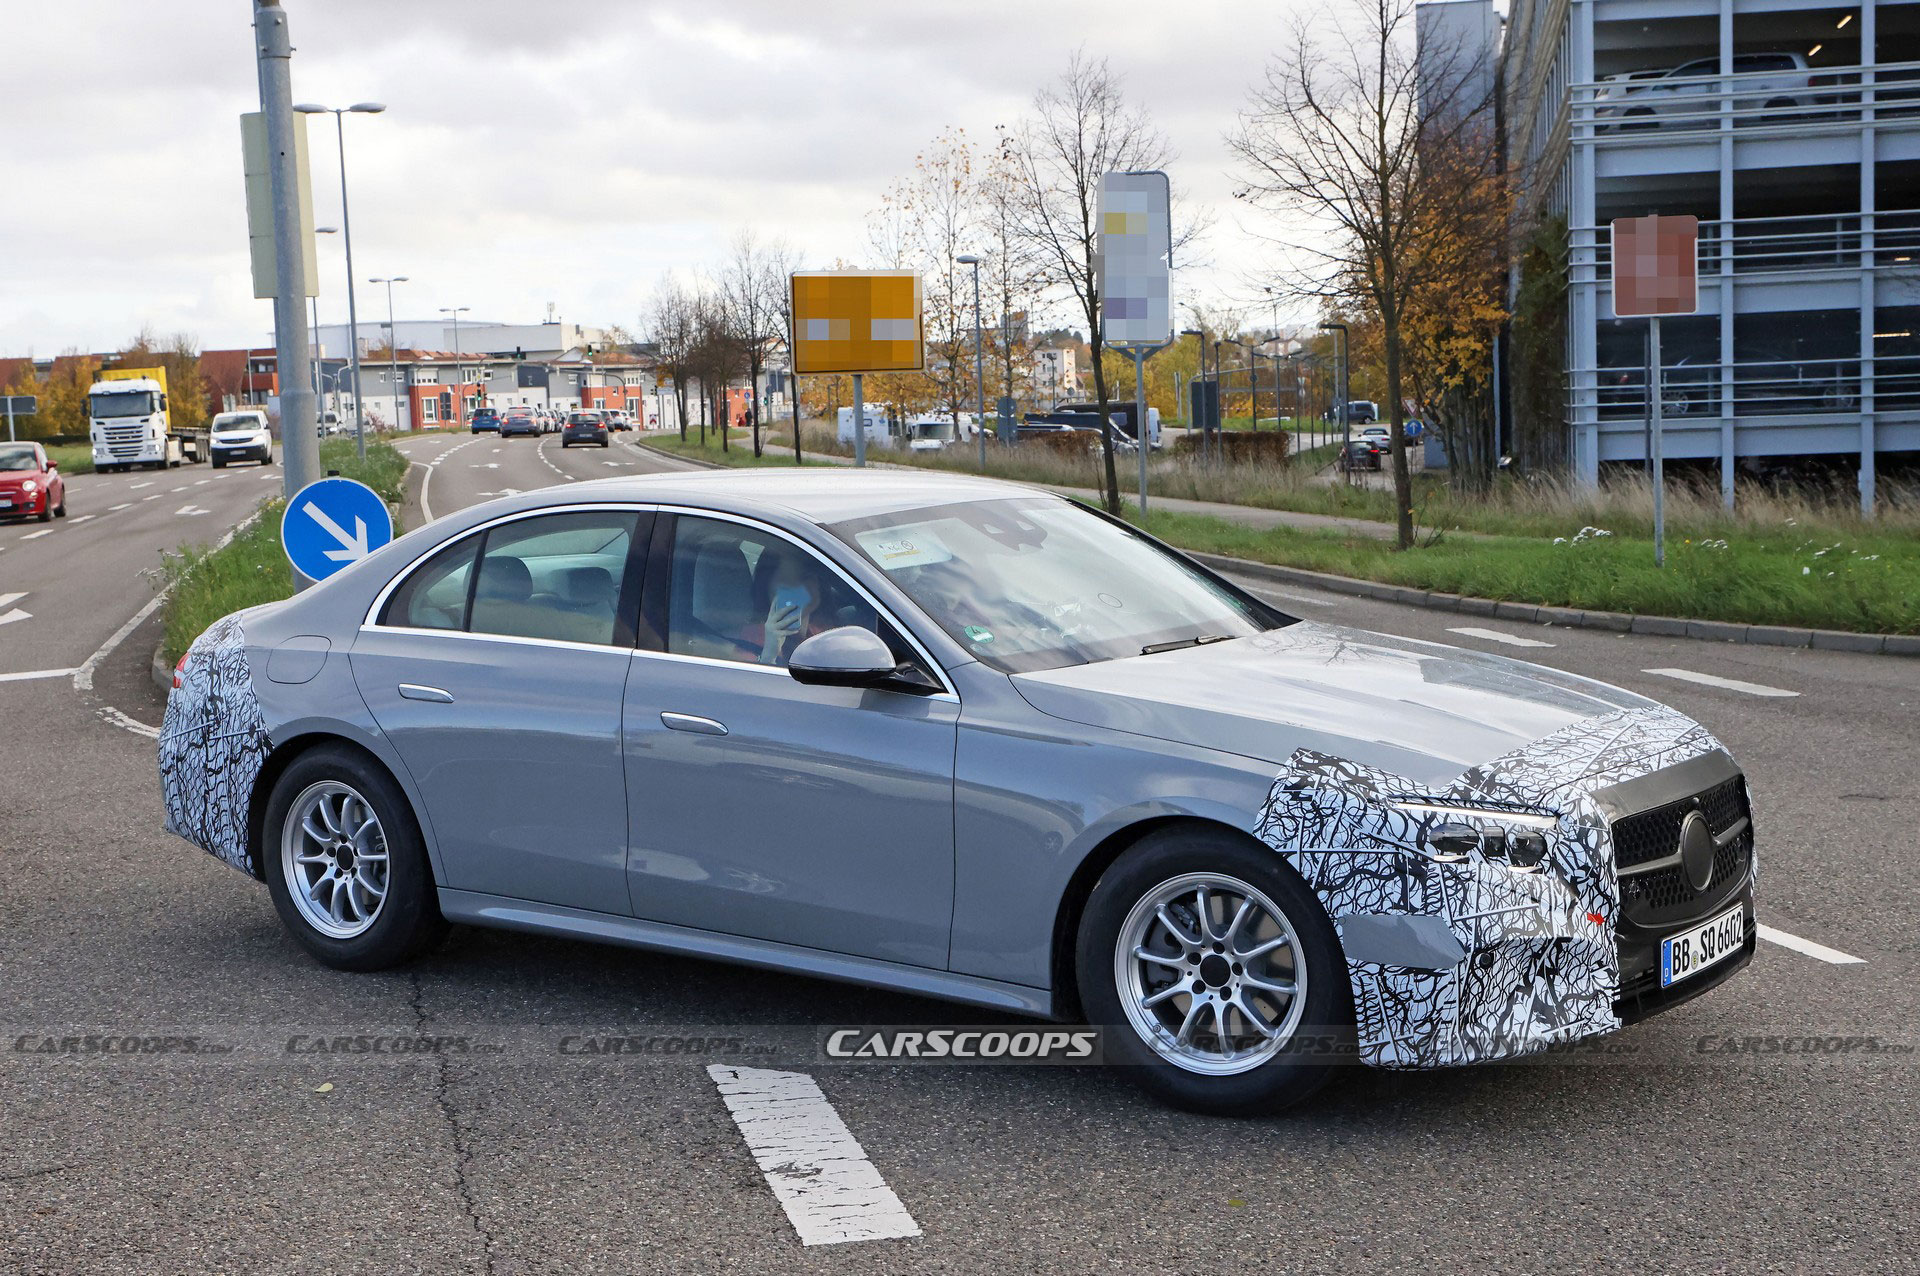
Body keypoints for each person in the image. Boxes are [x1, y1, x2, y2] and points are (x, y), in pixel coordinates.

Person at [740, 549, 835, 666]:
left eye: (805, 577)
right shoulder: (750, 640)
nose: (800, 587)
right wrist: (769, 655)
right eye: (787, 581)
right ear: (767, 588)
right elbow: (750, 682)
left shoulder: (828, 630)